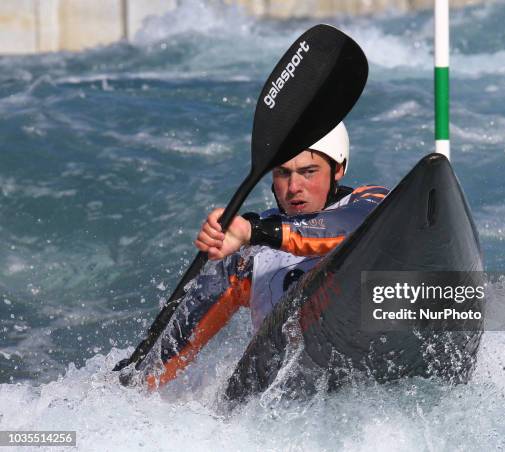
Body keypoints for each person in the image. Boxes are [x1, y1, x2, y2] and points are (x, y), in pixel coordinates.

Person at [143, 122, 389, 388]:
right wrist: (134, 383)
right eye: (283, 173)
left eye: (308, 172)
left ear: (338, 169)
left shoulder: (370, 202)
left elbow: (349, 226)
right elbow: (174, 348)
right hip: (281, 403)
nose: (294, 186)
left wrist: (254, 230)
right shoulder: (248, 257)